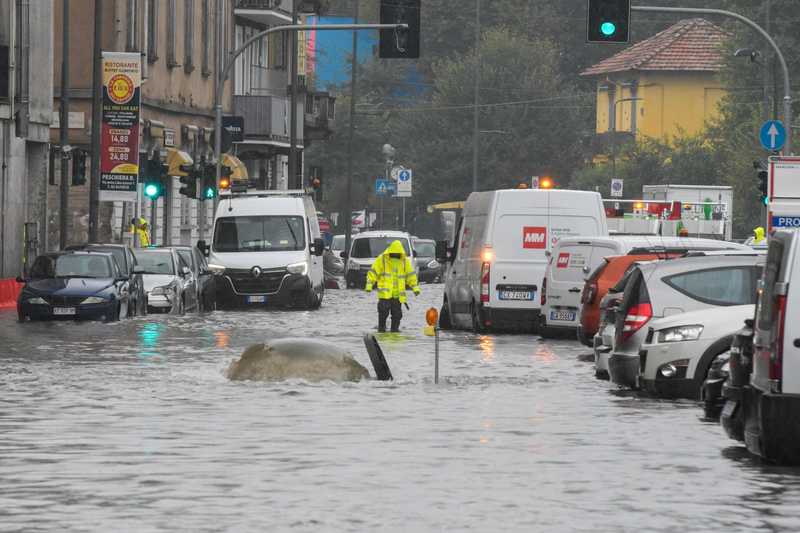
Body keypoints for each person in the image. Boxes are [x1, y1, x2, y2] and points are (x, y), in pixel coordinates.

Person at [365, 240, 420, 332]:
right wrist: (369, 285)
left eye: (397, 254)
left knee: (397, 315)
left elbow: (410, 275)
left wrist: (415, 287)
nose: (395, 255)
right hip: (385, 295)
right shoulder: (382, 259)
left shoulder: (404, 261)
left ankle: (394, 331)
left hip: (397, 296)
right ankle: (382, 329)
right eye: (394, 254)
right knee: (383, 313)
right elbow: (373, 272)